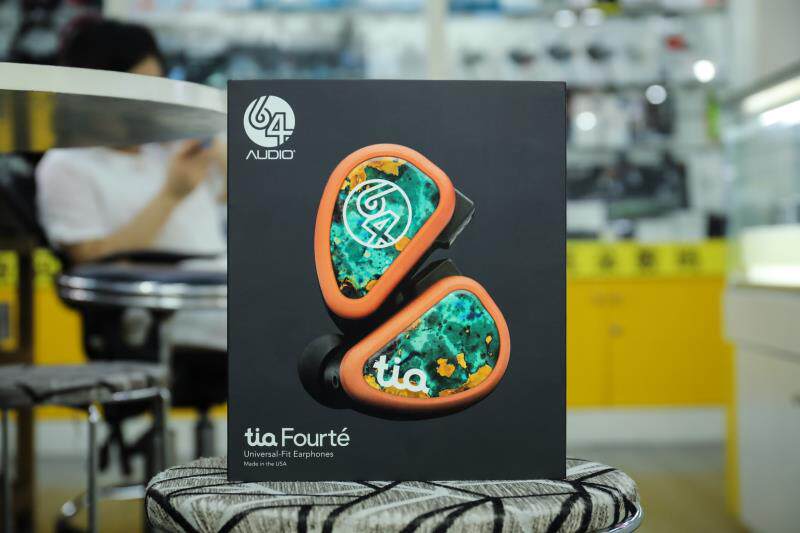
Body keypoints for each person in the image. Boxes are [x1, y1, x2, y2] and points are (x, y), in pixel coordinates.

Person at [36, 18, 227, 350]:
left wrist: (222, 150)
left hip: (222, 292)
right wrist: (170, 196)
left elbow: (238, 200)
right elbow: (90, 260)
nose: (149, 105)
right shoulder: (66, 165)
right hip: (163, 312)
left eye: (157, 88)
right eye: (137, 91)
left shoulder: (173, 148)